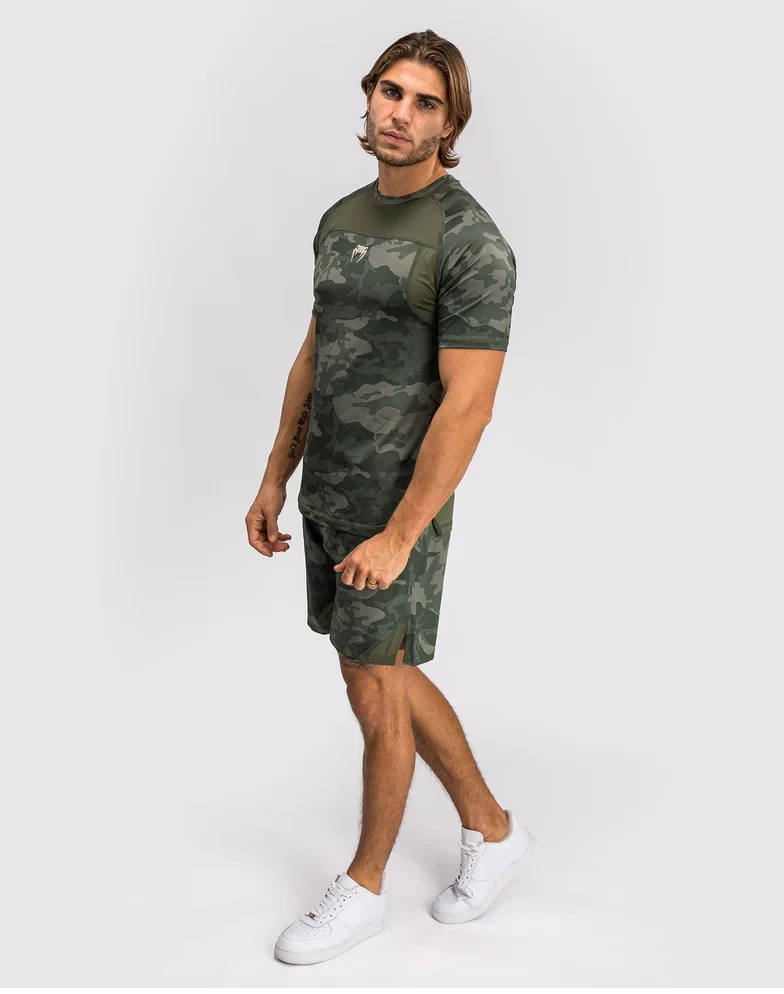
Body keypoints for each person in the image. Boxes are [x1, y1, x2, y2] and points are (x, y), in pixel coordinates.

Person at [245, 29, 536, 966]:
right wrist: (275, 476)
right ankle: (492, 828)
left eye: (424, 102)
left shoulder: (471, 242)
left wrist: (403, 532)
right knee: (381, 673)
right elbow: (315, 351)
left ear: (451, 124)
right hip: (327, 491)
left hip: (395, 509)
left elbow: (469, 404)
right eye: (390, 92)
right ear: (368, 95)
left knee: (376, 690)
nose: (400, 113)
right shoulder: (340, 217)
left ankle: (363, 887)